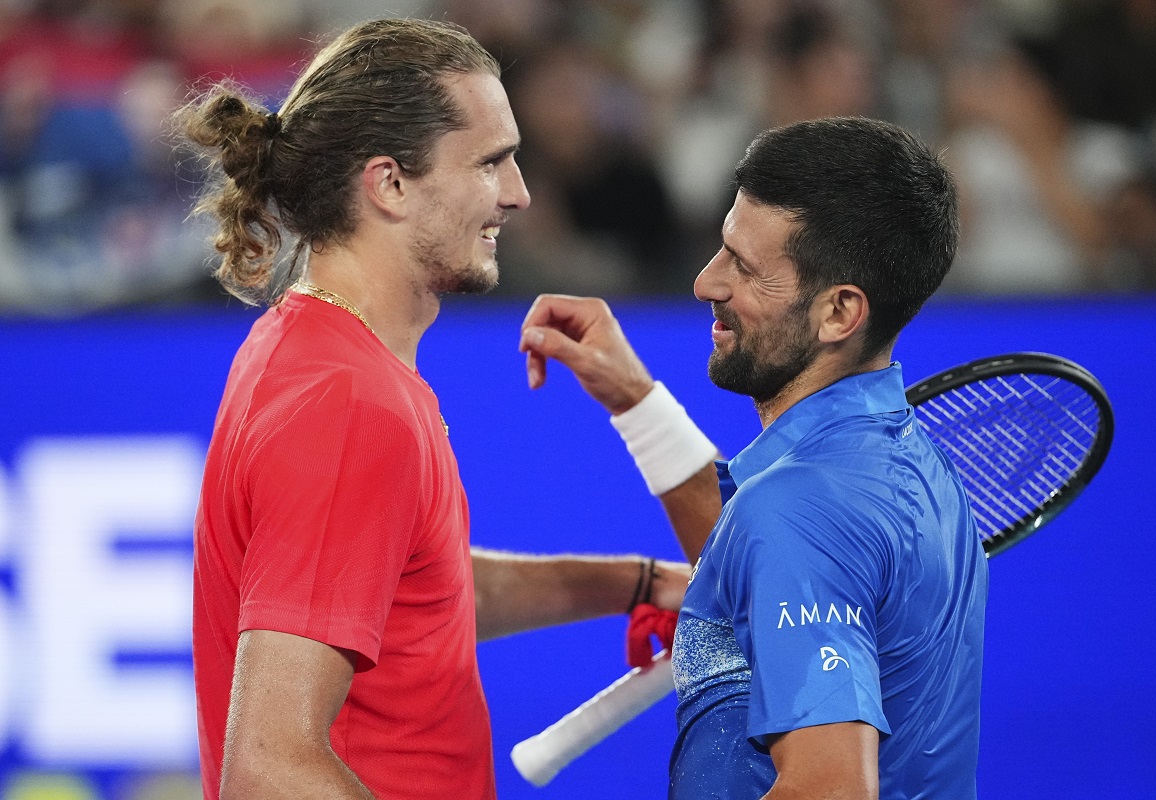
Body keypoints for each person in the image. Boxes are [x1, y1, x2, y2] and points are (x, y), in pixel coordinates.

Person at [176, 18, 688, 800]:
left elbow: (418, 594)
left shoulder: (310, 351)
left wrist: (638, 581)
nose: (518, 194)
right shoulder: (349, 405)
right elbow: (270, 770)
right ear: (389, 184)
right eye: (491, 163)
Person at [520, 117, 989, 799]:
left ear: (838, 313)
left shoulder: (797, 511)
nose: (705, 282)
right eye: (722, 249)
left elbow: (828, 791)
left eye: (743, 267)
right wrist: (634, 399)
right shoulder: (910, 467)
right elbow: (749, 545)